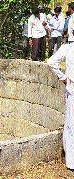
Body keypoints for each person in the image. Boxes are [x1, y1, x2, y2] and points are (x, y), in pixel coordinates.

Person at [47, 43, 74, 173]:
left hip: (72, 90)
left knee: (70, 125)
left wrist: (63, 78)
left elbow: (51, 62)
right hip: (72, 90)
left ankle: (71, 161)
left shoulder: (68, 48)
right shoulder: (67, 48)